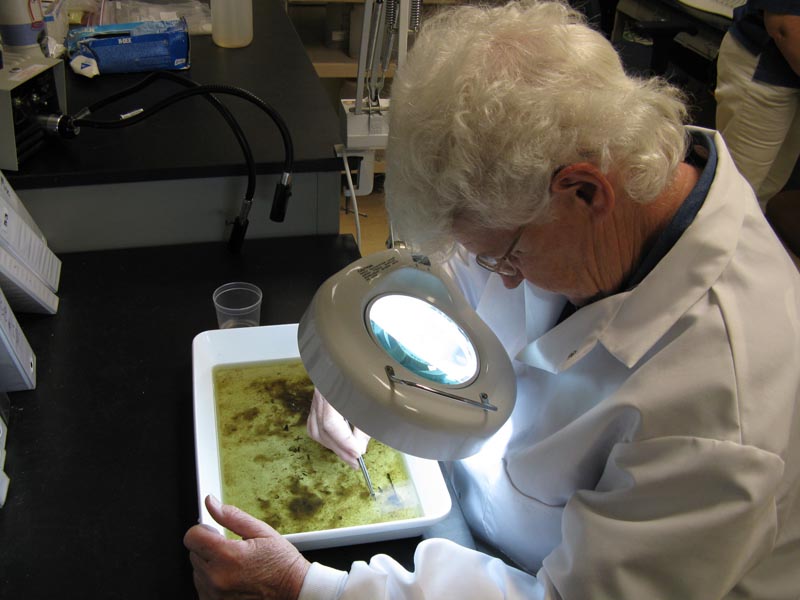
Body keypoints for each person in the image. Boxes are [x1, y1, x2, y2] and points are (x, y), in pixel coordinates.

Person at [184, 1, 800, 598]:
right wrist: (354, 378)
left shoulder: (719, 409)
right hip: (470, 519)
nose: (497, 277)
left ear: (585, 192)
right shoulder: (568, 176)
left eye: (504, 257)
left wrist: (308, 588)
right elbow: (440, 287)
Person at [715, 0, 800, 211]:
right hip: (765, 72)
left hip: (792, 76)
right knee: (732, 194)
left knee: (761, 195)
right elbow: (784, 26)